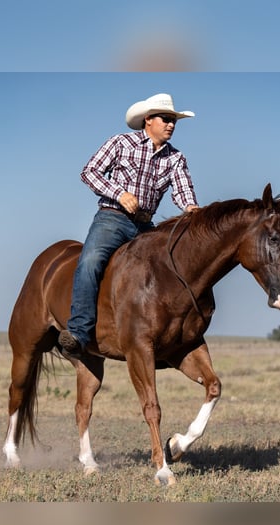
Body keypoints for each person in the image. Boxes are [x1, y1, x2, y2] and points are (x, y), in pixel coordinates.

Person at [58, 93, 200, 357]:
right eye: (166, 119)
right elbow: (89, 172)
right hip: (112, 218)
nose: (171, 125)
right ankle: (79, 331)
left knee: (168, 270)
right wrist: (119, 193)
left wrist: (191, 208)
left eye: (174, 121)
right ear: (148, 120)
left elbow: (183, 193)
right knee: (90, 261)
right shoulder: (121, 143)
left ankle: (160, 334)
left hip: (145, 227)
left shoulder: (176, 158)